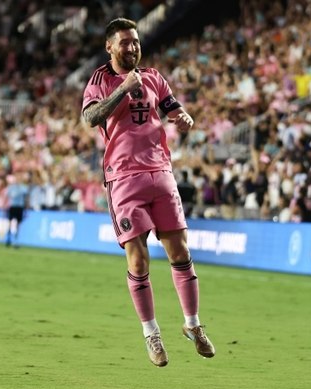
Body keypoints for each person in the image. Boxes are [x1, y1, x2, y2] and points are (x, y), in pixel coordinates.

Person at [81, 18, 214, 367]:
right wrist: (122, 89)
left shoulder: (154, 76)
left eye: (135, 41)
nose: (132, 47)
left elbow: (172, 107)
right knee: (138, 260)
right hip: (124, 178)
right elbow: (91, 117)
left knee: (180, 251)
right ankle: (151, 333)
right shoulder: (100, 80)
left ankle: (193, 325)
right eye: (125, 42)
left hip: (160, 172)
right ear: (110, 47)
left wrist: (184, 116)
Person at [4, 171, 29, 248]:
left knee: (18, 224)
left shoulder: (24, 188)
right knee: (10, 223)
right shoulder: (11, 187)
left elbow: (26, 198)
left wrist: (27, 208)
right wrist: (5, 206)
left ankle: (16, 240)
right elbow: (7, 197)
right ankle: (8, 238)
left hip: (20, 207)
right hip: (12, 206)